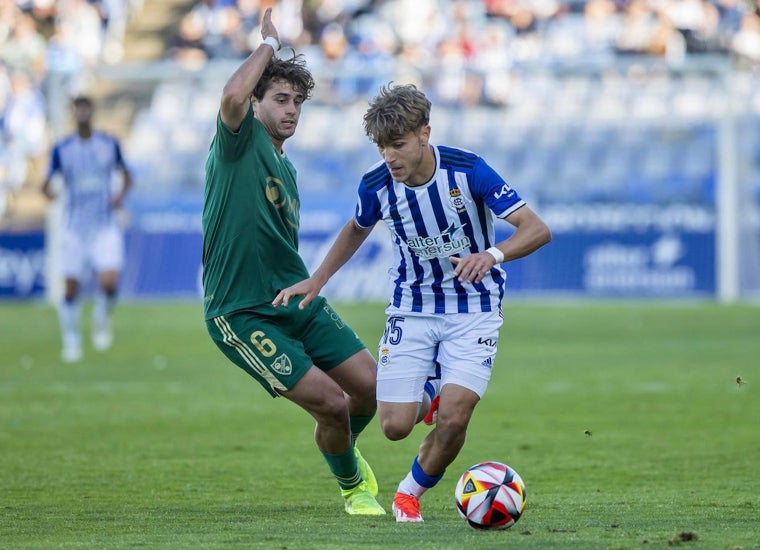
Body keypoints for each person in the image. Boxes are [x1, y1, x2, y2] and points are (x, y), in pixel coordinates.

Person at [273, 83, 552, 522]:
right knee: (394, 427)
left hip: (473, 308)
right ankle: (431, 387)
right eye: (383, 147)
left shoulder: (469, 170)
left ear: (425, 133)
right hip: (412, 307)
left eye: (398, 145)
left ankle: (409, 493)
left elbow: (536, 228)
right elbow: (357, 227)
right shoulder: (378, 184)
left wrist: (491, 254)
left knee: (456, 418)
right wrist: (319, 277)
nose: (390, 157)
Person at [201, 9, 385, 516]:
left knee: (370, 389)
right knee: (329, 403)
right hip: (241, 310)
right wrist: (268, 44)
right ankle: (353, 487)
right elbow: (231, 97)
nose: (292, 110)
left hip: (294, 298)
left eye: (298, 102)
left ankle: (339, 444)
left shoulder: (289, 170)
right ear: (258, 102)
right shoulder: (239, 144)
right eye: (280, 98)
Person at [42, 94, 133, 363]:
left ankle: (101, 316)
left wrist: (120, 196)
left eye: (86, 109)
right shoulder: (62, 149)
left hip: (104, 224)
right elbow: (46, 184)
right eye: (78, 109)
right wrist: (50, 194)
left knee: (109, 281)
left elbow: (127, 175)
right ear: (73, 113)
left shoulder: (108, 144)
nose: (82, 113)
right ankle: (71, 338)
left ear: (92, 112)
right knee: (70, 287)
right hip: (73, 228)